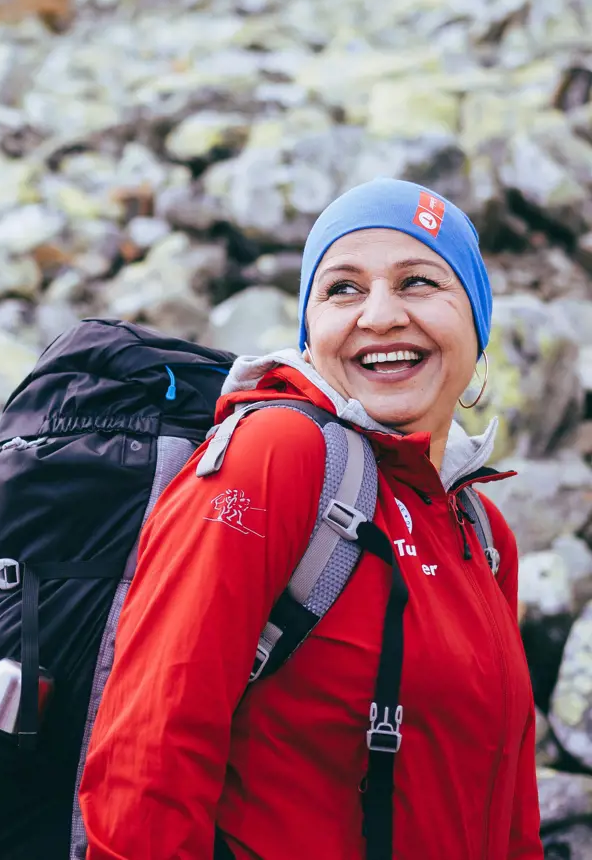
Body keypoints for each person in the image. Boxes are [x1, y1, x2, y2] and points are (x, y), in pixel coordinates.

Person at [78, 178, 542, 859]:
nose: (379, 316)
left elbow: (510, 808)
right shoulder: (280, 456)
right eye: (342, 289)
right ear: (308, 331)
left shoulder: (482, 531)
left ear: (476, 322)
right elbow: (149, 751)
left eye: (418, 281)